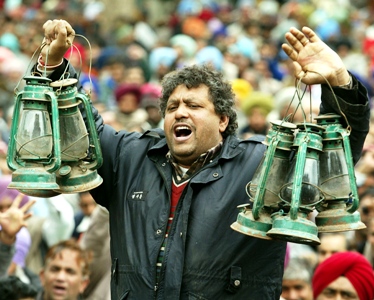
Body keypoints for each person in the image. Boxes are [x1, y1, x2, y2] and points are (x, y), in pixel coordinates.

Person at [36, 20, 370, 299]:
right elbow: (81, 127)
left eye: (194, 106)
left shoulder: (264, 167)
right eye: (172, 107)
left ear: (223, 120)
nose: (180, 112)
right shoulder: (128, 157)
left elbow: (333, 156)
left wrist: (340, 82)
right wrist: (53, 67)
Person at [0, 193, 35, 279]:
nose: (6, 211)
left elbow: (7, 270)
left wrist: (7, 237)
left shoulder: (21, 233)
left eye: (9, 206)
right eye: (0, 208)